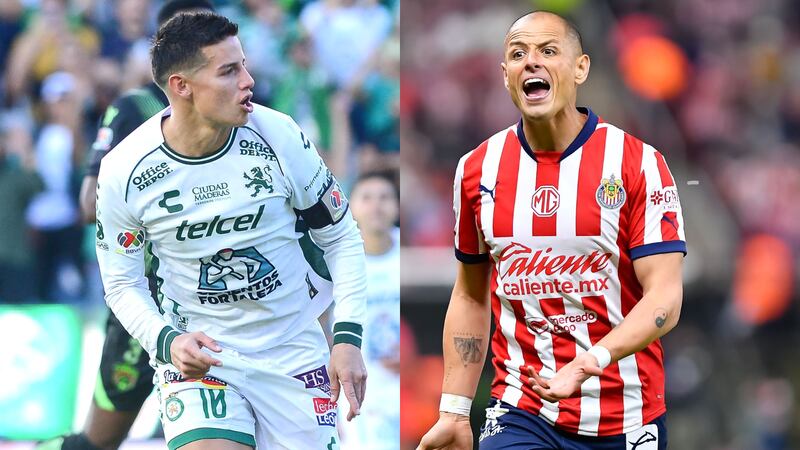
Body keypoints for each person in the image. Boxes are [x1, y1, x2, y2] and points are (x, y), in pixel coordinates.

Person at [94, 11, 366, 450]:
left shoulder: (279, 135)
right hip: (204, 356)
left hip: (293, 350)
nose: (248, 81)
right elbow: (121, 282)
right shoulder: (125, 170)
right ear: (182, 86)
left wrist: (348, 338)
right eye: (229, 71)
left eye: (244, 65)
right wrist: (168, 342)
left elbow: (341, 236)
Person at [418, 11, 685, 450]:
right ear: (506, 76)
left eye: (548, 51)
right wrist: (453, 408)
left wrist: (589, 362)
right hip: (522, 411)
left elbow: (665, 299)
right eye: (518, 54)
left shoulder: (638, 163)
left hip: (627, 413)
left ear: (580, 68)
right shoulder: (477, 170)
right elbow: (470, 293)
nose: (531, 62)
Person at [34, 2, 216, 450]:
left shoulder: (244, 114)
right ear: (163, 49)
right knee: (97, 443)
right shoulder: (136, 107)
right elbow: (88, 202)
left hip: (219, 303)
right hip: (149, 303)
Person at [341, 171, 399, 449]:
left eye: (385, 197)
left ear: (397, 205)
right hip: (362, 383)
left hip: (408, 379)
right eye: (367, 198)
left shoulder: (412, 256)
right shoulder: (338, 257)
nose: (376, 205)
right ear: (351, 205)